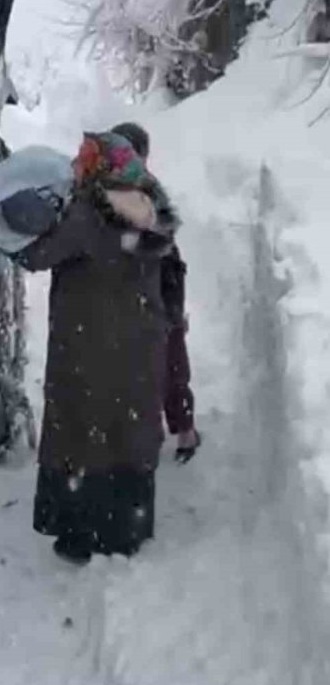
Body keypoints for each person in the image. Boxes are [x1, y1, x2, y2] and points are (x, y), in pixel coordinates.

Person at [16, 132, 179, 564]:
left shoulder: (89, 213)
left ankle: (79, 531)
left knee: (81, 429)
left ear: (102, 166)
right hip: (139, 342)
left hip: (88, 341)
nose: (79, 163)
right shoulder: (148, 206)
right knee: (127, 430)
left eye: (86, 158)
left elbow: (35, 256)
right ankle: (126, 527)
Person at [111, 122, 200, 463]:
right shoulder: (138, 189)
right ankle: (180, 430)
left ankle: (182, 430)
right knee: (167, 360)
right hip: (154, 286)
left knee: (168, 359)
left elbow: (163, 235)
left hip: (159, 285)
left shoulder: (131, 190)